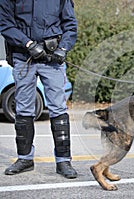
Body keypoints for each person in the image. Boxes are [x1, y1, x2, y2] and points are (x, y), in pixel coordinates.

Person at [0, 0, 78, 179]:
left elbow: (70, 24)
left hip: (52, 59)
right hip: (23, 57)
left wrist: (63, 48)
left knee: (58, 109)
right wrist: (28, 44)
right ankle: (25, 159)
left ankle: (63, 161)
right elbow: (5, 24)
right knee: (23, 110)